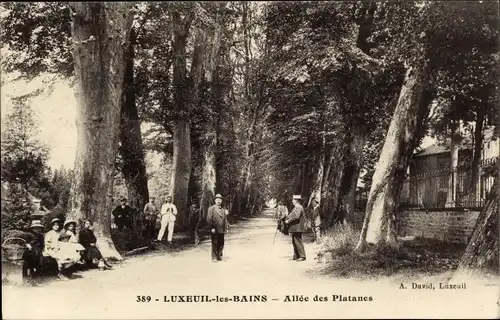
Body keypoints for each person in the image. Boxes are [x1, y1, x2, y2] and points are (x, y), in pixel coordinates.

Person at [206, 194, 229, 262]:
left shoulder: (223, 210)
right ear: (215, 200)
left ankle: (219, 255)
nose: (218, 201)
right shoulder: (211, 208)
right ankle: (214, 257)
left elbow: (225, 220)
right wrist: (212, 227)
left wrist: (226, 228)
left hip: (221, 229)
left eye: (220, 200)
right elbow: (209, 219)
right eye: (217, 200)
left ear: (221, 201)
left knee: (221, 243)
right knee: (214, 242)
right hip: (215, 229)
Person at [284, 195, 307, 261]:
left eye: (293, 200)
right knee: (295, 241)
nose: (292, 201)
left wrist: (288, 221)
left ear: (296, 200)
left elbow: (296, 217)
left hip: (298, 226)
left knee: (298, 240)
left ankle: (302, 256)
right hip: (296, 227)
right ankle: (297, 256)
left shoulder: (298, 207)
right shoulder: (296, 207)